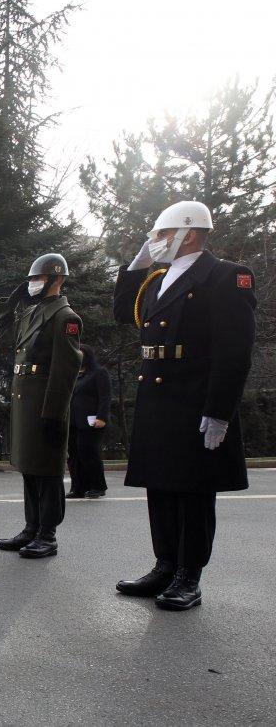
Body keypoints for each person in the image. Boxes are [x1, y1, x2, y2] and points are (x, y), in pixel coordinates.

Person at [112, 201, 256, 611]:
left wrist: (220, 411)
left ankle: (188, 574)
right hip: (158, 394)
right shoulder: (156, 279)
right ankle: (165, 564)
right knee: (160, 484)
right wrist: (135, 267)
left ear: (188, 233)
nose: (153, 242)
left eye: (158, 235)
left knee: (193, 489)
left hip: (195, 396)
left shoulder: (227, 276)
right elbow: (124, 312)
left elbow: (234, 351)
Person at [0, 253, 82, 559]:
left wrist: (53, 413)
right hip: (26, 402)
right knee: (30, 468)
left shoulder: (64, 317)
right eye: (30, 280)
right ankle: (31, 527)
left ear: (57, 279)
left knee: (47, 471)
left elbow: (65, 369)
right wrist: (11, 301)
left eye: (38, 279)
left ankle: (48, 534)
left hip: (45, 403)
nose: (32, 284)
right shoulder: (33, 312)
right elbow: (3, 334)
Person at [67, 344, 110, 499]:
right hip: (72, 422)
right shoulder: (73, 375)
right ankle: (78, 487)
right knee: (74, 455)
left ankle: (98, 486)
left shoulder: (99, 373)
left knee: (88, 453)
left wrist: (102, 417)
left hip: (92, 422)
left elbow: (105, 397)